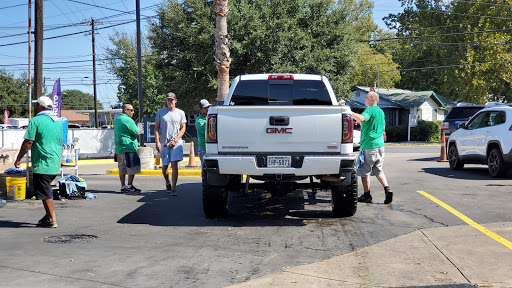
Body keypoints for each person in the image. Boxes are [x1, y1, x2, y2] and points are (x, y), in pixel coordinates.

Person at [14, 96, 63, 228]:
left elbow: (28, 142)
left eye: (36, 105)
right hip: (54, 161)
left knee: (45, 190)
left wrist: (18, 159)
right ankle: (48, 215)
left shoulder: (35, 121)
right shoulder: (57, 122)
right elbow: (60, 141)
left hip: (43, 162)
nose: (35, 107)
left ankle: (51, 218)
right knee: (46, 188)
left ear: (40, 106)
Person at [351, 91, 393, 204]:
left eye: (366, 97)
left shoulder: (369, 110)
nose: (364, 99)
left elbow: (361, 118)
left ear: (373, 99)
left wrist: (349, 112)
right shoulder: (381, 112)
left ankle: (367, 195)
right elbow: (383, 126)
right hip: (380, 145)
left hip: (369, 145)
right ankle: (387, 189)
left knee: (364, 171)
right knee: (378, 169)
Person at [155, 92, 187, 196]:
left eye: (172, 100)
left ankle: (173, 188)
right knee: (165, 166)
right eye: (168, 100)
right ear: (166, 101)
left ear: (175, 101)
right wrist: (157, 142)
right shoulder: (161, 112)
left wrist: (176, 139)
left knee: (174, 164)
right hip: (164, 142)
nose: (170, 101)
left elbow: (183, 128)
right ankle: (167, 182)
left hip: (176, 142)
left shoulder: (180, 113)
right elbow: (156, 128)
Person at [114, 104, 143, 193]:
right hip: (128, 147)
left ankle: (123, 186)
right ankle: (130, 185)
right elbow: (136, 132)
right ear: (125, 110)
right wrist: (139, 128)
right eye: (131, 110)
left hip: (119, 148)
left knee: (122, 168)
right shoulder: (128, 120)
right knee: (131, 167)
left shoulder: (117, 119)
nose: (133, 112)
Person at [195, 99, 211, 164]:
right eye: (205, 108)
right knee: (205, 169)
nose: (208, 109)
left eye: (208, 107)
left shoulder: (210, 117)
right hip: (204, 149)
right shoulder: (199, 121)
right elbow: (209, 132)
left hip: (211, 148)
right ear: (201, 109)